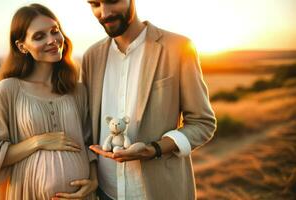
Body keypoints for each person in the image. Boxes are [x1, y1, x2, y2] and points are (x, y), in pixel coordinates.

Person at [82, 0, 217, 199]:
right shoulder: (91, 57)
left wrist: (154, 149)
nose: (104, 12)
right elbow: (87, 133)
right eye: (95, 4)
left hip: (160, 191)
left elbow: (202, 123)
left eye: (112, 1)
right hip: (104, 192)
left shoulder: (178, 47)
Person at [0, 4, 98, 200]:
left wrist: (93, 181)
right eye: (39, 36)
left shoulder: (78, 91)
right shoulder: (9, 89)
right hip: (28, 192)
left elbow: (89, 144)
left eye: (55, 31)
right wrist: (38, 141)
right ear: (22, 46)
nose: (52, 40)